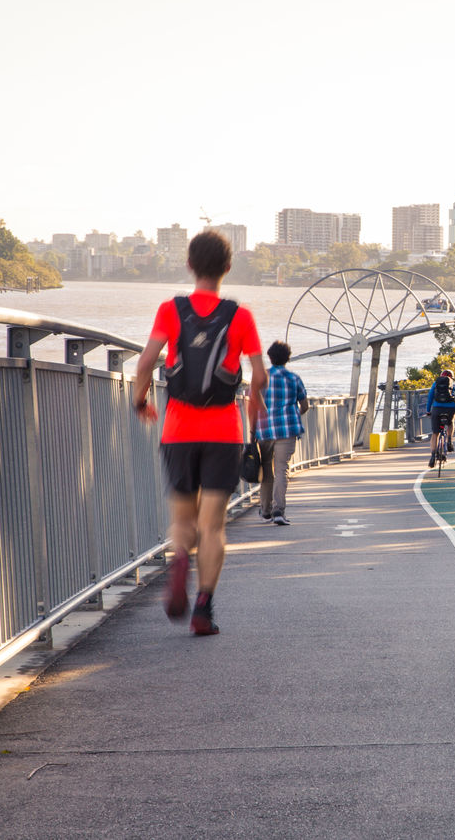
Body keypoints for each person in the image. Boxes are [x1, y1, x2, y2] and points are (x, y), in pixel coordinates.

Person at [133, 230, 266, 637]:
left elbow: (145, 363)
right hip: (224, 431)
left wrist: (140, 401)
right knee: (213, 526)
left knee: (183, 520)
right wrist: (253, 408)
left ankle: (178, 563)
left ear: (190, 265)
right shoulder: (240, 315)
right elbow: (258, 374)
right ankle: (204, 608)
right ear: (228, 267)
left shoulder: (170, 310)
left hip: (177, 428)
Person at [255, 340, 308, 526]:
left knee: (266, 471)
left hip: (264, 430)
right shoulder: (294, 379)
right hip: (287, 430)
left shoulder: (261, 377)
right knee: (281, 470)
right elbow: (305, 405)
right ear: (288, 358)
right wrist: (291, 417)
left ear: (269, 357)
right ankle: (279, 510)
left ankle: (265, 510)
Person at [426, 368, 455, 467]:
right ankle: (449, 441)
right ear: (452, 378)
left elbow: (430, 397)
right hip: (450, 409)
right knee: (451, 422)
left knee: (435, 434)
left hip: (437, 409)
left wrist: (428, 410)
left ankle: (433, 457)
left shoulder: (435, 384)